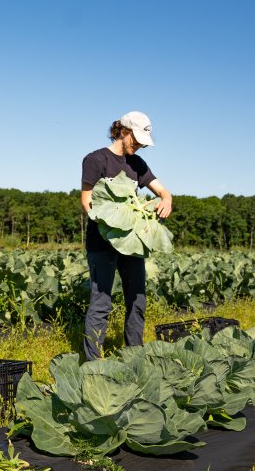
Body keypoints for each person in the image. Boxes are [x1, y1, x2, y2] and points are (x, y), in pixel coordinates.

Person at [80, 111, 172, 361]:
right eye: (137, 139)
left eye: (144, 141)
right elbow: (87, 200)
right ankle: (93, 363)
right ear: (123, 131)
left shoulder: (137, 164)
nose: (140, 144)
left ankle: (134, 357)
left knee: (138, 299)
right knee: (101, 303)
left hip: (131, 244)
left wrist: (167, 199)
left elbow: (162, 191)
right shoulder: (96, 159)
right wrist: (109, 222)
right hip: (102, 243)